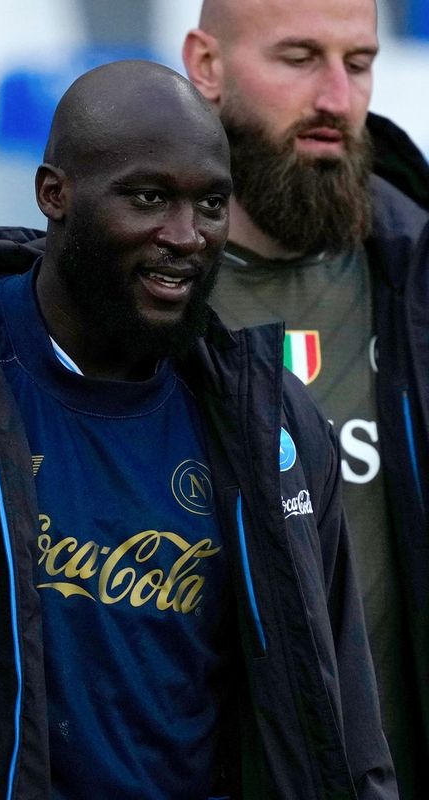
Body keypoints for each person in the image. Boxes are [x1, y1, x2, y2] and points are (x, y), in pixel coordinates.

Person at [0, 60, 396, 799]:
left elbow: (343, 727)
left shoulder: (276, 430)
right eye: (149, 198)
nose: (187, 236)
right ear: (54, 195)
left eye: (211, 204)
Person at [183, 1, 429, 794]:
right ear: (206, 65)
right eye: (298, 58)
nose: (335, 97)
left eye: (358, 64)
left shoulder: (417, 277)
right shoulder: (118, 300)